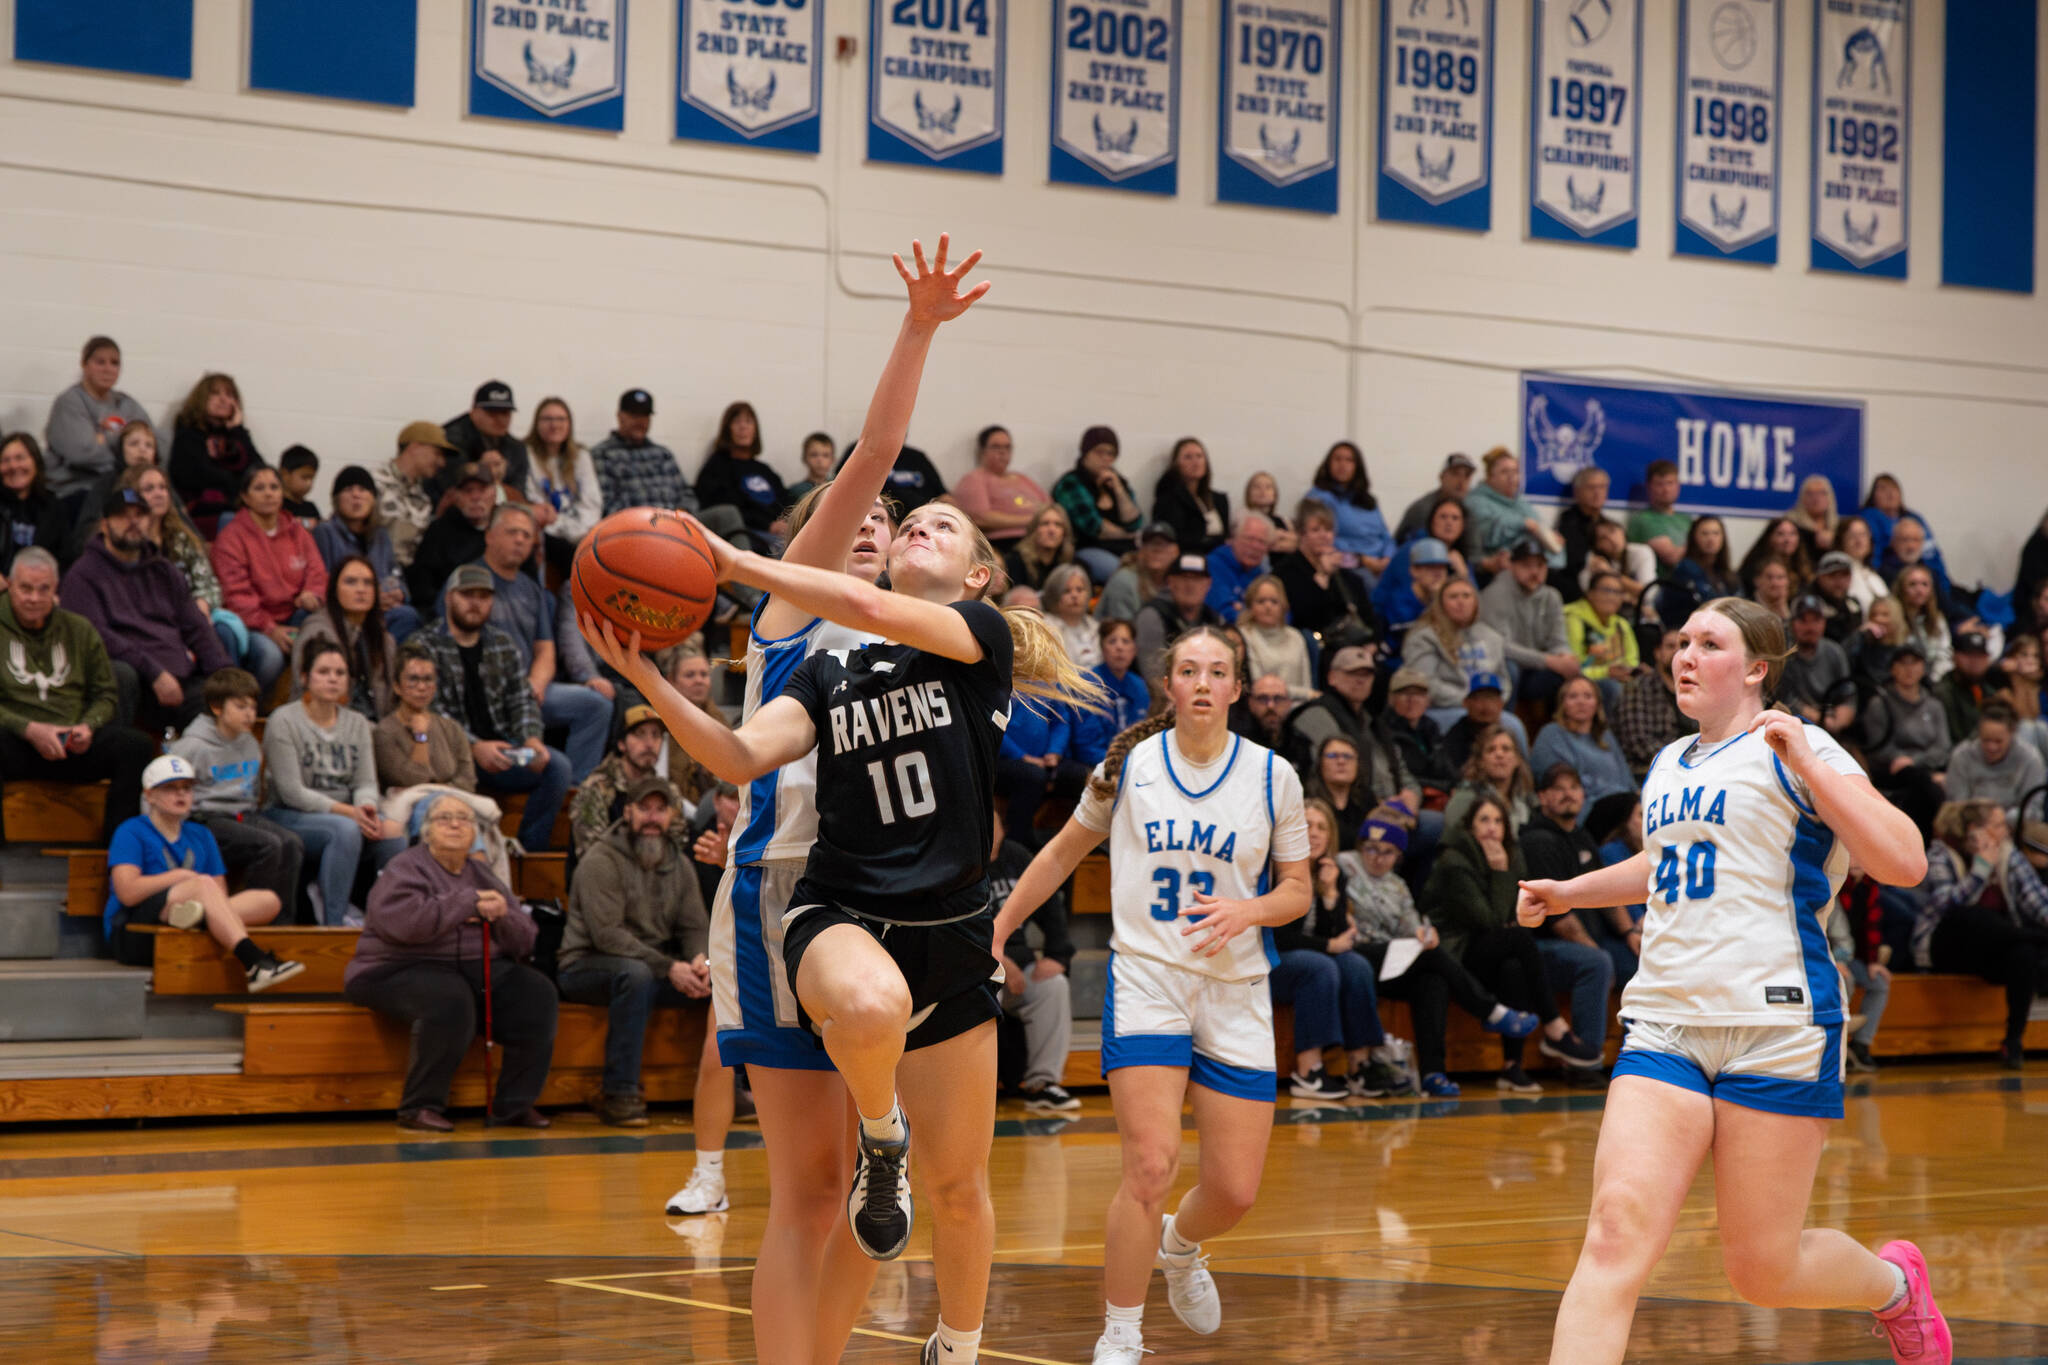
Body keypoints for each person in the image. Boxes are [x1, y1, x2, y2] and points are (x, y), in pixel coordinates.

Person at [589, 488, 1103, 1365]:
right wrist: (644, 681)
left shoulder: (978, 637)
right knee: (868, 1007)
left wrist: (735, 561)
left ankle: (957, 1344)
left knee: (962, 1190)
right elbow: (742, 755)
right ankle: (880, 1133)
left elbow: (864, 602)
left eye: (941, 523)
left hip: (949, 928)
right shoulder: (829, 673)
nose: (915, 526)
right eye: (911, 522)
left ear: (978, 572)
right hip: (840, 910)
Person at [605, 236, 983, 1365]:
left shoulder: (937, 642)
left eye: (890, 520)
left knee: (880, 1198)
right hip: (786, 897)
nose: (871, 523)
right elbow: (873, 454)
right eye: (850, 519)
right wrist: (913, 327)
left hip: (903, 910)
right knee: (806, 1195)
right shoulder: (795, 625)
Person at [1517, 595, 1948, 1365]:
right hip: (1666, 1024)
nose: (1685, 655)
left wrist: (1809, 763)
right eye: (1681, 642)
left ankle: (1894, 1286)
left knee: (1762, 1270)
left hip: (1776, 1024)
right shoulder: (1668, 763)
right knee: (1615, 1230)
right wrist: (1569, 892)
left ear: (1755, 668)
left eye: (1708, 643)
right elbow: (1669, 865)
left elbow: (1905, 860)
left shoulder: (1799, 744)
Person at [992, 627, 1310, 1365]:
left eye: (1219, 671)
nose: (1203, 682)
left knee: (1233, 1189)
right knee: (1150, 1164)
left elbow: (1296, 888)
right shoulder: (1129, 766)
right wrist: (1002, 924)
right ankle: (1122, 1332)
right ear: (1170, 686)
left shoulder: (1274, 776)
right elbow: (1062, 851)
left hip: (1236, 988)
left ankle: (1182, 1244)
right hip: (1148, 979)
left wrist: (1248, 909)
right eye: (1190, 669)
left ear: (1237, 688)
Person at [344, 793, 558, 1132]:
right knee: (449, 998)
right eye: (445, 818)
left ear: (475, 833)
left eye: (464, 819)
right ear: (427, 831)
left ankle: (513, 1106)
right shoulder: (406, 868)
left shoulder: (482, 874)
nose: (456, 824)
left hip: (472, 966)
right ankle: (419, 1106)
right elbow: (405, 925)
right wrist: (467, 904)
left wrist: (502, 915)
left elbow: (525, 939)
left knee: (536, 994)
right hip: (394, 966)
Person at [558, 776, 712, 1127]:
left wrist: (698, 961)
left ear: (673, 815)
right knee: (635, 975)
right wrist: (669, 967)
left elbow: (694, 925)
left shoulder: (679, 861)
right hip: (586, 965)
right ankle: (619, 1093)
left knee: (722, 977)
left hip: (652, 967)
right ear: (628, 812)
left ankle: (726, 1086)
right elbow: (608, 936)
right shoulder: (601, 859)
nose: (653, 818)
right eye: (644, 809)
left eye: (661, 810)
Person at [1343, 816, 1529, 1098]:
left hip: (1391, 960)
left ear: (1398, 856)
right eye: (1371, 848)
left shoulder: (1398, 886)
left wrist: (1424, 935)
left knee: (1433, 979)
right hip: (1355, 954)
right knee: (1431, 959)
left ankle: (1433, 1072)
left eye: (1387, 851)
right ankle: (1490, 1010)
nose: (1378, 858)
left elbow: (1412, 927)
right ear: (1360, 847)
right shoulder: (1345, 867)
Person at [1428, 793, 1603, 1092]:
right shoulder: (1454, 860)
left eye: (1498, 821)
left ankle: (1512, 1066)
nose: (1492, 828)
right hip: (1453, 953)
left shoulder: (1512, 855)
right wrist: (1499, 873)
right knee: (1518, 941)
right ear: (1470, 827)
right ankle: (1553, 1026)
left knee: (1513, 966)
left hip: (1492, 947)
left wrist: (1504, 871)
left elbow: (1515, 914)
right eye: (1484, 820)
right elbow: (1489, 920)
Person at [104, 755, 303, 986]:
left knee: (269, 900)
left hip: (190, 913)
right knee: (202, 884)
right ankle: (252, 960)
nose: (181, 794)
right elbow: (127, 892)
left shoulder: (201, 834)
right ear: (149, 795)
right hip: (134, 930)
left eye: (187, 788)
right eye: (171, 788)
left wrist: (197, 895)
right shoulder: (131, 830)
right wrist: (180, 877)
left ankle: (194, 919)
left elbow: (218, 895)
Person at [414, 565, 570, 853]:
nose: (476, 602)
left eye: (483, 596)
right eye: (467, 595)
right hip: (451, 758)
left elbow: (521, 699)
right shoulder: (424, 646)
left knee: (556, 766)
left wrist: (531, 739)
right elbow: (428, 711)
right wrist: (473, 747)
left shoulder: (502, 644)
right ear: (449, 598)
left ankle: (527, 851)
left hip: (504, 752)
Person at [0, 549, 153, 840]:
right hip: (15, 741)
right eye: (25, 588)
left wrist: (88, 725)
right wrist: (28, 729)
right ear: (9, 584)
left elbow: (106, 693)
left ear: (56, 589)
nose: (34, 598)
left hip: (70, 742)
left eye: (43, 589)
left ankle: (117, 860)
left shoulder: (79, 629)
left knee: (136, 746)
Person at [262, 638, 406, 925]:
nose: (333, 679)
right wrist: (350, 813)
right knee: (346, 830)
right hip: (288, 814)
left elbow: (366, 781)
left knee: (394, 836)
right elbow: (292, 793)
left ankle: (387, 922)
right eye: (324, 672)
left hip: (346, 814)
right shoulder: (284, 720)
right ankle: (333, 923)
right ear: (305, 678)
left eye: (340, 673)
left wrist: (366, 809)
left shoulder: (357, 723)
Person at [64, 487, 231, 734]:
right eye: (123, 516)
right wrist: (154, 673)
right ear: (104, 524)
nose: (133, 522)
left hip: (179, 678)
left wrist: (226, 677)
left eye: (140, 515)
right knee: (120, 674)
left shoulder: (164, 570)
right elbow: (95, 637)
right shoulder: (83, 574)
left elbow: (196, 627)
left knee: (224, 697)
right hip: (135, 681)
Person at [1271, 799, 1406, 1099]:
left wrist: (1331, 895)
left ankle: (1359, 1064)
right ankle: (1308, 1072)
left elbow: (1336, 935)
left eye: (1322, 827)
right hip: (1268, 960)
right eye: (1307, 825)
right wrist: (1328, 945)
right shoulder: (1275, 871)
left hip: (1309, 958)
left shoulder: (1332, 872)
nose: (1315, 833)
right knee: (1321, 965)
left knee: (1355, 964)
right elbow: (1278, 935)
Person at [467, 504, 612, 780]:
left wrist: (536, 683)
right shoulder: (470, 582)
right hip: (488, 693)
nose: (521, 539)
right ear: (490, 535)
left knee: (596, 704)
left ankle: (577, 792)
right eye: (512, 532)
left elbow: (545, 648)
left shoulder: (531, 589)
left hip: (532, 690)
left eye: (526, 534)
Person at [1915, 800, 2048, 1072]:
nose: (2006, 832)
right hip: (1946, 946)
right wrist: (1981, 871)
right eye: (1998, 826)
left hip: (1992, 947)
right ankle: (2035, 938)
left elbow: (2038, 902)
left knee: (2024, 953)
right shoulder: (1941, 855)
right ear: (1975, 830)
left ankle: (2013, 1040)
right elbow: (1945, 906)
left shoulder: (2008, 855)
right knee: (1974, 916)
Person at [170, 667, 307, 924]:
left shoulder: (250, 743)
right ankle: (252, 919)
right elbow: (165, 786)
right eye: (241, 707)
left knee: (292, 842)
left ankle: (282, 924)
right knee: (268, 844)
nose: (250, 715)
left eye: (253, 708)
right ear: (217, 707)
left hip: (243, 813)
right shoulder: (192, 746)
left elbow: (252, 791)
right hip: (205, 818)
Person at [1520, 765, 1629, 1062]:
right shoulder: (1537, 840)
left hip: (1591, 940)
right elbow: (1561, 921)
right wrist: (1599, 953)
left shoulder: (1582, 837)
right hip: (1545, 947)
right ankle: (1586, 1055)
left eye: (1574, 787)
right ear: (1542, 797)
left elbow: (1609, 893)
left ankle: (1635, 1054)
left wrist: (1632, 935)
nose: (1568, 794)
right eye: (1559, 789)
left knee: (1641, 957)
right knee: (1597, 962)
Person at [985, 807, 1079, 1111]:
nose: (989, 830)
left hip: (1019, 969)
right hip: (974, 968)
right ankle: (974, 1089)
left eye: (994, 822)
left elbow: (1050, 906)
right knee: (978, 990)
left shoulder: (1017, 857)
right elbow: (955, 930)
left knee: (1053, 987)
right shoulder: (957, 864)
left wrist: (1057, 955)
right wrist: (1001, 962)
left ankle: (1043, 1085)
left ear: (1003, 827)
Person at [213, 466, 328, 696]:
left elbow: (317, 572)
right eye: (259, 488)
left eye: (274, 487)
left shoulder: (297, 530)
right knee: (270, 657)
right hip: (254, 624)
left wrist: (312, 593)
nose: (268, 493)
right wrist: (270, 629)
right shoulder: (231, 538)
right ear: (245, 497)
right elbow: (237, 597)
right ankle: (251, 709)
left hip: (296, 615)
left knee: (326, 645)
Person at [1404, 578, 1525, 749]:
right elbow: (1425, 684)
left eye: (1466, 596)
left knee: (1515, 726)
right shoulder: (1424, 637)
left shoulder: (1491, 636)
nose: (1460, 602)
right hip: (1444, 708)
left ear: (1476, 601)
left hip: (1487, 708)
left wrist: (1493, 704)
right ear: (1440, 603)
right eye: (1453, 597)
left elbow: (1503, 680)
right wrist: (1469, 703)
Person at [314, 465, 418, 641]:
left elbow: (396, 575)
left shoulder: (381, 535)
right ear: (336, 499)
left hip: (378, 613)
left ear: (373, 499)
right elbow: (322, 581)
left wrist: (399, 593)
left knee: (408, 615)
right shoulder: (325, 532)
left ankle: (385, 663)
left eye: (363, 489)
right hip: (342, 613)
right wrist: (371, 598)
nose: (356, 495)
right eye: (348, 489)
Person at [1861, 641, 1951, 838]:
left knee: (1927, 782)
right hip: (1893, 771)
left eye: (1914, 663)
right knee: (1921, 783)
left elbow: (1943, 748)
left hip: (1926, 771)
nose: (1909, 669)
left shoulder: (1934, 705)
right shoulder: (1880, 703)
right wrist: (1908, 763)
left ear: (1924, 668)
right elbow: (1878, 748)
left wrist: (1916, 762)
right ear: (1893, 668)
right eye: (1903, 663)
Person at [43, 336, 149, 501]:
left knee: (150, 505)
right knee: (117, 509)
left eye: (114, 363)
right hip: (75, 489)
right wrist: (126, 444)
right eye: (100, 362)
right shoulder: (70, 402)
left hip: (118, 486)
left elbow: (156, 444)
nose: (108, 369)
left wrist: (101, 438)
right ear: (84, 365)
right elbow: (81, 453)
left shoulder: (126, 403)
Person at [1480, 538, 1577, 706]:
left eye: (1540, 565)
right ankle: (1502, 724)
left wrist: (1564, 656)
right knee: (1510, 669)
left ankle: (1563, 729)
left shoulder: (1552, 596)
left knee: (1569, 670)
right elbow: (1501, 646)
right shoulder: (1495, 594)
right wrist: (1548, 660)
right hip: (1504, 665)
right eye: (1527, 565)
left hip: (1535, 667)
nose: (1534, 572)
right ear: (1512, 566)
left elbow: (1558, 640)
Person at [372, 644, 477, 797]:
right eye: (413, 679)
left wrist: (437, 789)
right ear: (397, 687)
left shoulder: (451, 727)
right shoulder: (384, 732)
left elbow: (468, 782)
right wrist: (421, 737)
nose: (421, 687)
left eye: (428, 679)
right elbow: (415, 780)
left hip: (455, 801)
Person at [167, 373, 264, 538]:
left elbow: (259, 472)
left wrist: (238, 430)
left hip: (237, 509)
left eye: (229, 394)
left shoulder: (236, 436)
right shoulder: (188, 433)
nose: (223, 399)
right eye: (215, 393)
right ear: (201, 398)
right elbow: (197, 475)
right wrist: (238, 483)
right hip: (201, 512)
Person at [521, 397, 602, 580]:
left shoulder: (580, 456)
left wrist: (578, 532)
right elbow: (537, 505)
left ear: (569, 424)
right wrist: (565, 530)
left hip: (580, 532)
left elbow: (592, 504)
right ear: (536, 423)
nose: (554, 425)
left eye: (560, 419)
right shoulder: (526, 454)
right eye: (547, 419)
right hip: (548, 532)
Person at [1051, 424, 1144, 583]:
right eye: (1099, 452)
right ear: (1086, 453)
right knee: (1125, 576)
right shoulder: (1071, 483)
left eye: (1111, 454)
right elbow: (1095, 528)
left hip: (1125, 549)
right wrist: (1129, 534)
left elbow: (1135, 522)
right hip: (1088, 549)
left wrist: (1119, 490)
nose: (1106, 458)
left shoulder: (1117, 481)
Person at [1273, 500, 1378, 639]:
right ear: (1301, 534)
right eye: (1316, 530)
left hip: (1350, 645)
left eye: (1328, 530)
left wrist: (1372, 643)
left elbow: (1367, 616)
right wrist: (1322, 580)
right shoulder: (1285, 573)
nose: (1324, 536)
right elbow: (1308, 619)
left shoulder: (1346, 576)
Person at [1530, 677, 1637, 805]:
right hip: (1583, 806)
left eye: (1588, 696)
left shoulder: (1605, 735)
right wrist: (1617, 794)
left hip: (1622, 803)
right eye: (1573, 696)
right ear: (1562, 703)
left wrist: (1635, 798)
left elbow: (1625, 775)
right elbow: (1561, 780)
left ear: (1597, 704)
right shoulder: (1551, 734)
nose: (1581, 702)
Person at [592, 389, 698, 519]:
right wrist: (648, 522)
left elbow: (686, 495)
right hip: (634, 528)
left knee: (725, 514)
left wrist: (680, 514)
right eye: (634, 415)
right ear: (620, 416)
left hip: (675, 525)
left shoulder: (663, 454)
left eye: (645, 415)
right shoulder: (603, 455)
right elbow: (606, 505)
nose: (640, 421)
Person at [406, 461, 496, 609]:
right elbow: (422, 585)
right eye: (468, 491)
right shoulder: (439, 531)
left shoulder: (507, 527)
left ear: (494, 493)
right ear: (456, 496)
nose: (475, 497)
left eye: (482, 490)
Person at [1826, 869, 1890, 1073]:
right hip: (1820, 956)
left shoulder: (1870, 886)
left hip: (1846, 956)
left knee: (1879, 982)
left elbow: (1869, 926)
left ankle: (1860, 1044)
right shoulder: (1832, 880)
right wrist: (1830, 959)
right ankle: (1834, 1046)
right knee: (1844, 980)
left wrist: (1872, 961)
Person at [696, 400, 790, 538]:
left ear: (755, 430)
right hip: (746, 533)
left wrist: (786, 522)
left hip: (778, 531)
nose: (743, 427)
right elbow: (727, 511)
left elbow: (785, 500)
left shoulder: (764, 470)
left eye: (748, 422)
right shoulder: (717, 466)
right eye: (737, 422)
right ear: (727, 430)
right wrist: (767, 525)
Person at [374, 421, 457, 572]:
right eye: (437, 453)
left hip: (403, 581)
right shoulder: (374, 483)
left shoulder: (423, 501)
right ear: (415, 447)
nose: (442, 462)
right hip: (368, 576)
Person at [1302, 441, 1392, 579]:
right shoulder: (1319, 497)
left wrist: (1388, 557)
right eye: (1337, 459)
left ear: (1357, 467)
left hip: (1382, 562)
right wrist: (1361, 558)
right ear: (1328, 464)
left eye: (1349, 460)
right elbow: (1324, 538)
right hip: (1350, 564)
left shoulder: (1368, 500)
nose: (1342, 465)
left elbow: (1385, 535)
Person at [1612, 629, 1695, 777]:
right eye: (1670, 646)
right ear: (1657, 653)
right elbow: (1639, 743)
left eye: (1683, 646)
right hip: (1649, 772)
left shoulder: (1697, 688)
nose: (1677, 653)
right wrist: (1685, 761)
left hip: (1694, 768)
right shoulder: (1638, 689)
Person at [1467, 449, 1563, 577]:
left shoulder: (1520, 503)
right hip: (1497, 570)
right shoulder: (1475, 501)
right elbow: (1485, 533)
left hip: (1535, 567)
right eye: (1504, 472)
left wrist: (1551, 537)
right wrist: (1522, 524)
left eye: (1515, 472)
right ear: (1490, 477)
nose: (1511, 477)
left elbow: (1540, 526)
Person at [951, 425, 1049, 547]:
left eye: (1007, 447)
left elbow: (1051, 507)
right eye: (996, 447)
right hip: (1006, 543)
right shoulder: (974, 479)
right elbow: (981, 518)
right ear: (982, 451)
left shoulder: (1022, 478)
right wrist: (1031, 520)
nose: (1003, 452)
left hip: (1041, 538)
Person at [1945, 700, 2045, 818]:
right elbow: (1956, 805)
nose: (1991, 747)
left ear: (2012, 734)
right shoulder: (1962, 756)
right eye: (1986, 740)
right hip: (1971, 824)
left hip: (2016, 826)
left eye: (1998, 741)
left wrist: (2001, 821)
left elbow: (2032, 808)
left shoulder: (2030, 759)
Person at [437, 380, 528, 503]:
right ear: (474, 412)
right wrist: (480, 471)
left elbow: (518, 494)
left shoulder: (516, 448)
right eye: (492, 413)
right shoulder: (448, 439)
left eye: (505, 413)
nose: (500, 420)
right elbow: (446, 484)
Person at [1135, 555, 1223, 681]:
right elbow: (1153, 676)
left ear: (1208, 584)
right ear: (1170, 582)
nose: (1190, 585)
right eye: (1184, 578)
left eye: (1197, 579)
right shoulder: (1152, 616)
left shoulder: (1214, 619)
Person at [1563, 571, 1641, 711]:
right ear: (1590, 593)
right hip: (1580, 682)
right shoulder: (1573, 619)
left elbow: (1632, 660)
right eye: (1606, 590)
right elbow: (1572, 665)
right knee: (1612, 688)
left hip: (1618, 679)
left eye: (1618, 592)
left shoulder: (1621, 624)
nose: (1612, 597)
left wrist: (1630, 670)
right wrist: (1606, 672)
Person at [1373, 531, 1456, 660]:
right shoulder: (1398, 603)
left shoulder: (1447, 600)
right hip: (1397, 664)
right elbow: (1416, 646)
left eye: (1442, 567)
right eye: (1430, 567)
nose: (1438, 574)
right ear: (1414, 571)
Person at [0, 432, 66, 588]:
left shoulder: (53, 507)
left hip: (39, 591)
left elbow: (66, 558)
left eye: (20, 458)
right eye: (5, 460)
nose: (13, 466)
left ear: (35, 462)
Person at [1779, 597, 1855, 729]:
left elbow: (1848, 697)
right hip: (1796, 726)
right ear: (1792, 623)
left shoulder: (1835, 651)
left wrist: (1837, 723)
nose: (1810, 627)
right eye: (1803, 621)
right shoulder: (1784, 655)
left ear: (1824, 623)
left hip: (1833, 724)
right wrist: (1822, 721)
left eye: (1816, 620)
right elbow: (1785, 700)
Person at [1445, 722, 1536, 833]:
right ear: (1480, 762)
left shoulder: (1528, 801)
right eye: (1491, 750)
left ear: (1517, 759)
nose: (1499, 754)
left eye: (1506, 749)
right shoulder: (1465, 799)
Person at [1150, 436, 1230, 555]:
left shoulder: (1219, 499)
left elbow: (1226, 536)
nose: (1196, 462)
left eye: (1199, 456)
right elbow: (1176, 538)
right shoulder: (1168, 499)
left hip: (1219, 557)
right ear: (1176, 464)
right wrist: (1217, 541)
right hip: (1189, 557)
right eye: (1188, 457)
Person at [1238, 574, 1313, 700]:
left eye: (1274, 601)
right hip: (1261, 704)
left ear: (1283, 606)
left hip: (1296, 706)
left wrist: (1306, 696)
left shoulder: (1296, 637)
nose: (1268, 607)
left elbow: (1306, 683)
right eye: (1261, 601)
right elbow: (1257, 686)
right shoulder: (1244, 635)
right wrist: (1305, 694)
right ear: (1250, 606)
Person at [1093, 521, 1179, 623]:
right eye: (1151, 543)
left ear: (1175, 551)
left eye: (1163, 544)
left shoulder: (1178, 582)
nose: (1157, 550)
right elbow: (1121, 631)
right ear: (1141, 551)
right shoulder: (1123, 581)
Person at [1201, 512, 1274, 623]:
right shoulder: (1213, 565)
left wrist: (1244, 611)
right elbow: (1223, 611)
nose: (1255, 546)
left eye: (1262, 542)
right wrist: (1260, 615)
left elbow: (1283, 614)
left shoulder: (1262, 575)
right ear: (1232, 539)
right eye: (1249, 539)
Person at [1394, 452, 1478, 545]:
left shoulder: (1469, 510)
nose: (1461, 481)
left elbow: (1474, 552)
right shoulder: (1423, 509)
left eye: (1467, 476)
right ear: (1441, 477)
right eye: (1455, 474)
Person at [1625, 459, 1693, 570]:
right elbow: (1672, 557)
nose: (1666, 489)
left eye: (1670, 483)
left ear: (1678, 486)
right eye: (1659, 484)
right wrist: (1698, 546)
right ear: (1648, 487)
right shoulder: (1643, 520)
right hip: (1661, 584)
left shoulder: (1686, 519)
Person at [1937, 629, 2001, 742]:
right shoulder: (1943, 693)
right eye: (1969, 655)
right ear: (1955, 656)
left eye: (1980, 656)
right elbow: (1955, 739)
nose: (1975, 662)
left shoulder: (1989, 692)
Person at [1001, 504, 1076, 594]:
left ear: (1064, 532)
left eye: (1058, 525)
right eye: (1045, 523)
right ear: (1034, 530)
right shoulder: (1015, 561)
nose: (1052, 530)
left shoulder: (1068, 562)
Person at [1738, 516, 1815, 598]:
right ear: (1769, 537)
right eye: (1780, 534)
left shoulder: (1806, 568)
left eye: (1792, 534)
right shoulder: (1753, 568)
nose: (1787, 540)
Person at [1040, 564, 1100, 669]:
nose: (1074, 595)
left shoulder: (1095, 627)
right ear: (1054, 595)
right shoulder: (1045, 627)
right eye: (1067, 591)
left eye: (1080, 590)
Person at [1833, 516, 1892, 614]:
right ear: (1841, 540)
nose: (1859, 541)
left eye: (1863, 535)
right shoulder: (1836, 576)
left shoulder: (1873, 576)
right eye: (1852, 535)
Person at [1808, 550, 1867, 643]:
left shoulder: (1854, 604)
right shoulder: (1809, 604)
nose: (1839, 581)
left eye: (1844, 575)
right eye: (1832, 575)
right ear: (1820, 577)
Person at [1240, 470, 1296, 555]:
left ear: (1275, 494)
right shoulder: (1243, 518)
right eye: (1257, 487)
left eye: (1268, 487)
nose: (1262, 491)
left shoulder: (1283, 520)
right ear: (1248, 494)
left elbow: (1297, 543)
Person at [1788, 474, 1841, 556]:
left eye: (1822, 493)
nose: (1816, 498)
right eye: (1810, 493)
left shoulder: (1838, 527)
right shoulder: (1790, 525)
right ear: (1802, 498)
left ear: (1830, 498)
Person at [783, 430, 838, 506]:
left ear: (833, 459)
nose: (820, 460)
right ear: (804, 458)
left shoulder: (838, 487)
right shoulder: (796, 491)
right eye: (814, 455)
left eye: (825, 455)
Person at [277, 445, 321, 529]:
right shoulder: (276, 505)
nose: (309, 483)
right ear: (284, 474)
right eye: (304, 477)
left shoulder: (311, 508)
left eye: (312, 478)